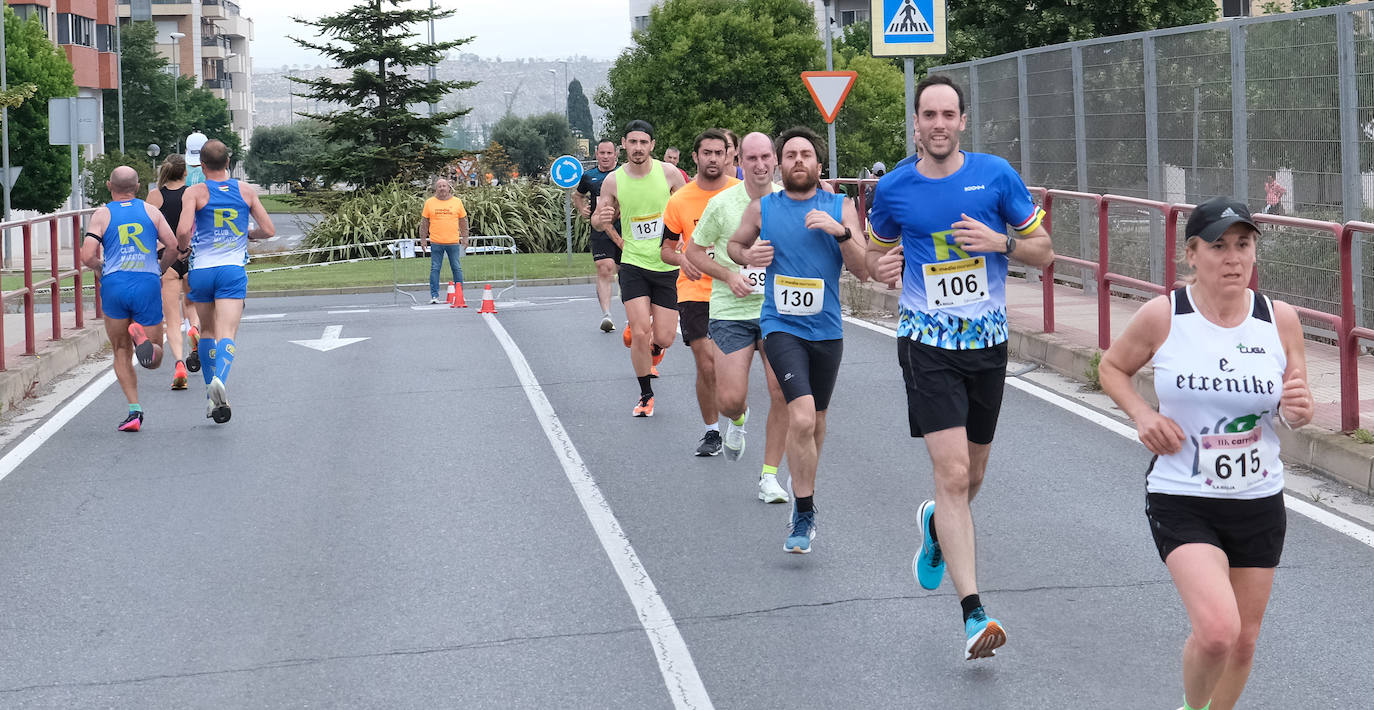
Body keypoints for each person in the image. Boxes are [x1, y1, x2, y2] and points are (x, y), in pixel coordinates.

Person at [866, 74, 1054, 660]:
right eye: (929, 115)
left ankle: (934, 525)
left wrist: (1000, 244)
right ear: (916, 123)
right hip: (926, 342)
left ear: (963, 122)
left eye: (949, 114)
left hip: (987, 344)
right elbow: (873, 252)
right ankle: (974, 614)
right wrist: (879, 268)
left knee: (971, 480)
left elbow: (1045, 253)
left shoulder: (996, 176)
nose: (939, 124)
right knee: (951, 476)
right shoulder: (894, 188)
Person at [1098, 197, 1312, 710]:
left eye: (1244, 245)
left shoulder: (1279, 320)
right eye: (1219, 246)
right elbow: (1111, 367)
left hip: (1258, 497)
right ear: (1192, 254)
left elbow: (1293, 406)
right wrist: (1144, 416)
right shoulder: (1165, 315)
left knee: (1243, 642)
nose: (1233, 258)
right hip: (1183, 494)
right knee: (1217, 631)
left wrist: (1298, 410)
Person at [727, 126, 867, 553]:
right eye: (790, 155)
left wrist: (839, 233)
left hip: (826, 330)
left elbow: (863, 269)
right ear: (779, 165)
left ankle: (802, 484)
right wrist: (747, 256)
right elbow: (734, 245)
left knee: (816, 422)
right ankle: (804, 511)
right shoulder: (762, 208)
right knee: (801, 417)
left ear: (819, 165)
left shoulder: (840, 206)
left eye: (806, 155)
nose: (798, 161)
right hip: (780, 327)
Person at [686, 131, 790, 503]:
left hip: (778, 311)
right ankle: (738, 420)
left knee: (782, 391)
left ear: (775, 159)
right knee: (729, 399)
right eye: (752, 158)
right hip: (731, 312)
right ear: (738, 161)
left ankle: (769, 477)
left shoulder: (788, 201)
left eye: (766, 157)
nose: (760, 165)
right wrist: (730, 275)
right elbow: (694, 251)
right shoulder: (722, 204)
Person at [176, 139, 276, 424]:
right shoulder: (245, 190)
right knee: (227, 332)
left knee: (206, 330)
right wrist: (247, 234)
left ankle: (211, 398)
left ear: (203, 165)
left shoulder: (194, 192)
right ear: (228, 164)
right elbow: (268, 230)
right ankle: (219, 378)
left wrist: (184, 249)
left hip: (202, 270)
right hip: (232, 269)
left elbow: (183, 230)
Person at [592, 120, 688, 417]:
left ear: (652, 145)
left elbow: (689, 209)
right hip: (633, 264)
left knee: (665, 337)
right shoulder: (613, 181)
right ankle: (646, 394)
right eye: (632, 142)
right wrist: (602, 218)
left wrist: (687, 243)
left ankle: (655, 349)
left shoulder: (669, 174)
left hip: (666, 264)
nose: (637, 148)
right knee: (641, 331)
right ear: (624, 144)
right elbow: (597, 220)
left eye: (643, 143)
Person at [80, 166, 179, 431]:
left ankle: (134, 411)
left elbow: (87, 255)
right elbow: (172, 247)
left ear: (109, 185)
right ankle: (144, 340)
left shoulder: (102, 214)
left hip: (115, 283)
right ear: (137, 188)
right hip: (146, 281)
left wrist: (101, 269)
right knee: (155, 357)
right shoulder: (151, 211)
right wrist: (160, 270)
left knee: (121, 350)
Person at [660, 129, 739, 456]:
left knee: (731, 368)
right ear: (695, 157)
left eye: (719, 152)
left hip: (736, 290)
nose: (713, 158)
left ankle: (736, 412)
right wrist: (682, 258)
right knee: (706, 364)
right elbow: (664, 249)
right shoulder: (679, 199)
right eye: (706, 152)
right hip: (694, 291)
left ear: (728, 156)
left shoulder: (743, 193)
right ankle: (712, 432)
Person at [146, 154, 202, 390]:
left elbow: (148, 230)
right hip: (192, 255)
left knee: (171, 317)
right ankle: (195, 329)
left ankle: (179, 364)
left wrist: (162, 249)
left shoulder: (155, 196)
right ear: (186, 173)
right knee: (192, 305)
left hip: (166, 257)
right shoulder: (193, 194)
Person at [575, 139, 621, 332]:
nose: (605, 157)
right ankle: (607, 315)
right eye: (602, 153)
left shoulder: (624, 174)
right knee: (605, 268)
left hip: (624, 228)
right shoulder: (589, 176)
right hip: (600, 229)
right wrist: (582, 209)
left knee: (625, 271)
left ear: (615, 155)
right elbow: (578, 195)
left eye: (609, 153)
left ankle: (634, 314)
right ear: (596, 153)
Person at [420, 178, 469, 304]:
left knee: (456, 268)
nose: (442, 188)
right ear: (436, 189)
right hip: (436, 242)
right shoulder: (429, 203)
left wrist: (465, 237)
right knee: (435, 268)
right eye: (439, 186)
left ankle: (460, 294)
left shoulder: (457, 202)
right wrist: (423, 240)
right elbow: (424, 223)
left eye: (444, 186)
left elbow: (463, 221)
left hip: (453, 242)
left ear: (449, 188)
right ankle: (434, 296)